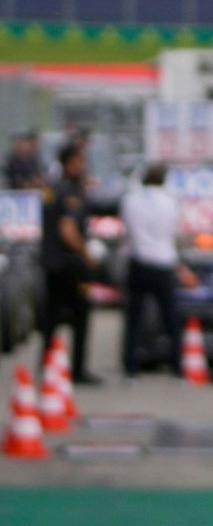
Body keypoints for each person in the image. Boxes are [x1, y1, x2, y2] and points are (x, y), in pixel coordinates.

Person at [119, 163, 193, 379]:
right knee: (171, 318)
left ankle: (131, 367)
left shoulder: (131, 200)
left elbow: (127, 231)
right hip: (163, 263)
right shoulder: (170, 203)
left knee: (134, 319)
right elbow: (175, 233)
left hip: (139, 261)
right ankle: (177, 367)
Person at [39, 138, 99, 383]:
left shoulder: (52, 189)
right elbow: (67, 230)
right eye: (81, 161)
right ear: (71, 163)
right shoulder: (70, 192)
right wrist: (86, 253)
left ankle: (47, 366)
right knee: (82, 314)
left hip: (51, 264)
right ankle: (77, 369)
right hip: (70, 265)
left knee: (51, 316)